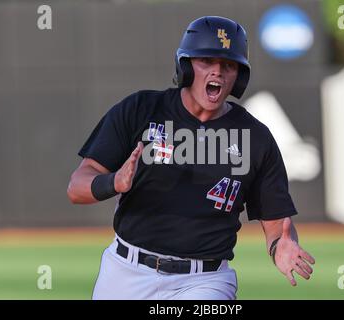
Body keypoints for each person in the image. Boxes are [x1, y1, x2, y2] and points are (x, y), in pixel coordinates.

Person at [67, 16, 315, 300]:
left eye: (228, 65)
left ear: (239, 77)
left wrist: (280, 246)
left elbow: (277, 225)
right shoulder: (140, 109)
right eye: (206, 61)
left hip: (205, 281)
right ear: (185, 67)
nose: (218, 72)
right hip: (126, 272)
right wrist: (113, 182)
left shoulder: (254, 137)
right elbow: (76, 188)